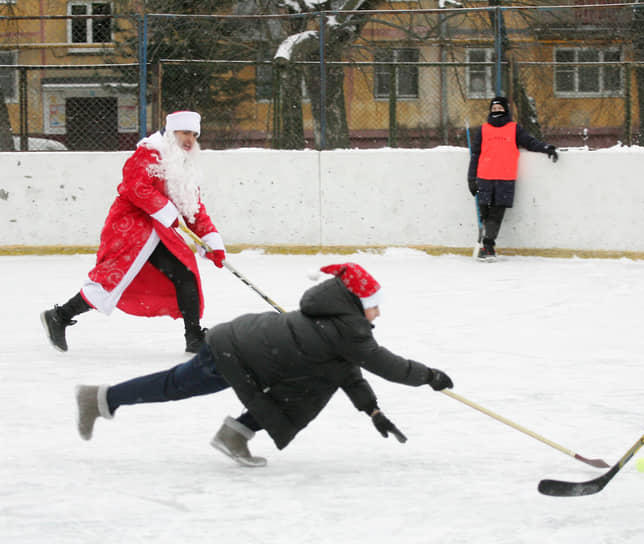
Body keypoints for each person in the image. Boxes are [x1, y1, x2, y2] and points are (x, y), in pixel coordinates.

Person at [74, 262, 454, 466]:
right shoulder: (349, 329)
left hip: (241, 346)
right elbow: (385, 365)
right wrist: (430, 376)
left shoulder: (336, 321)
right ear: (357, 303)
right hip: (235, 354)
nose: (377, 313)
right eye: (374, 304)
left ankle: (235, 433)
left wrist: (372, 411)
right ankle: (102, 398)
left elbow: (345, 370)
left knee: (314, 382)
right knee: (176, 385)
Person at [40, 111, 226, 354]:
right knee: (111, 280)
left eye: (193, 134)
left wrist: (210, 239)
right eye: (184, 133)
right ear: (171, 133)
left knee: (185, 274)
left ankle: (193, 337)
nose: (189, 139)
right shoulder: (148, 154)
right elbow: (134, 187)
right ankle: (60, 315)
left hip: (159, 232)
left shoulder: (184, 165)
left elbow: (193, 208)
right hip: (130, 228)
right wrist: (164, 209)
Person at [467, 96, 559, 261]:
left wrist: (546, 148)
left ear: (505, 110)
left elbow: (530, 143)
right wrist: (471, 178)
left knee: (496, 214)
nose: (497, 112)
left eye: (499, 109)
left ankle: (488, 247)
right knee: (485, 213)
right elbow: (475, 155)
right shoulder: (483, 129)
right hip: (484, 177)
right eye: (494, 109)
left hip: (504, 178)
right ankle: (486, 244)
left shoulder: (514, 128)